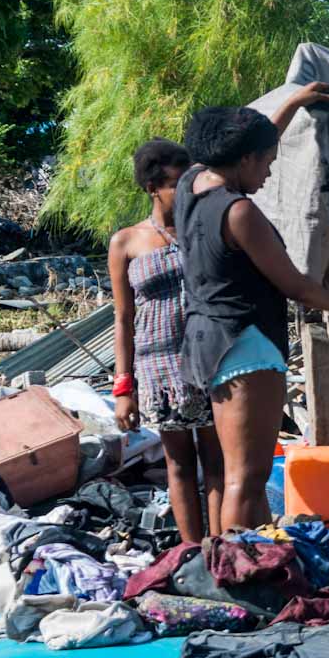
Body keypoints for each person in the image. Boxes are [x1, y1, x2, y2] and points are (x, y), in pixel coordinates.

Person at [176, 82, 329, 531]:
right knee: (246, 479)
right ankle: (240, 572)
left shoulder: (190, 185)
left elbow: (244, 146)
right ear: (245, 160)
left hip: (205, 341)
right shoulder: (239, 213)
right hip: (245, 345)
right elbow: (296, 285)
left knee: (240, 475)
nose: (269, 175)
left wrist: (291, 104)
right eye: (268, 164)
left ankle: (253, 557)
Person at [108, 140, 225, 543]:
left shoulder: (204, 229)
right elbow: (123, 318)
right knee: (178, 463)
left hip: (209, 358)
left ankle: (222, 546)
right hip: (158, 367)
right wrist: (124, 387)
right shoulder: (127, 242)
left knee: (217, 461)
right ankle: (192, 550)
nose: (189, 191)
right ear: (152, 188)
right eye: (178, 184)